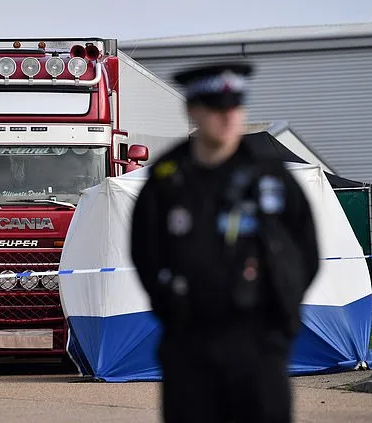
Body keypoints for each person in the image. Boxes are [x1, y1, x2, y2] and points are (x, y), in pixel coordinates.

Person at [130, 62, 320, 423]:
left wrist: (281, 314)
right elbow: (146, 254)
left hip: (259, 341)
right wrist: (171, 307)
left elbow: (306, 251)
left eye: (235, 107)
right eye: (216, 108)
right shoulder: (167, 181)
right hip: (191, 343)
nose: (227, 117)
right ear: (193, 111)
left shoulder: (271, 176)